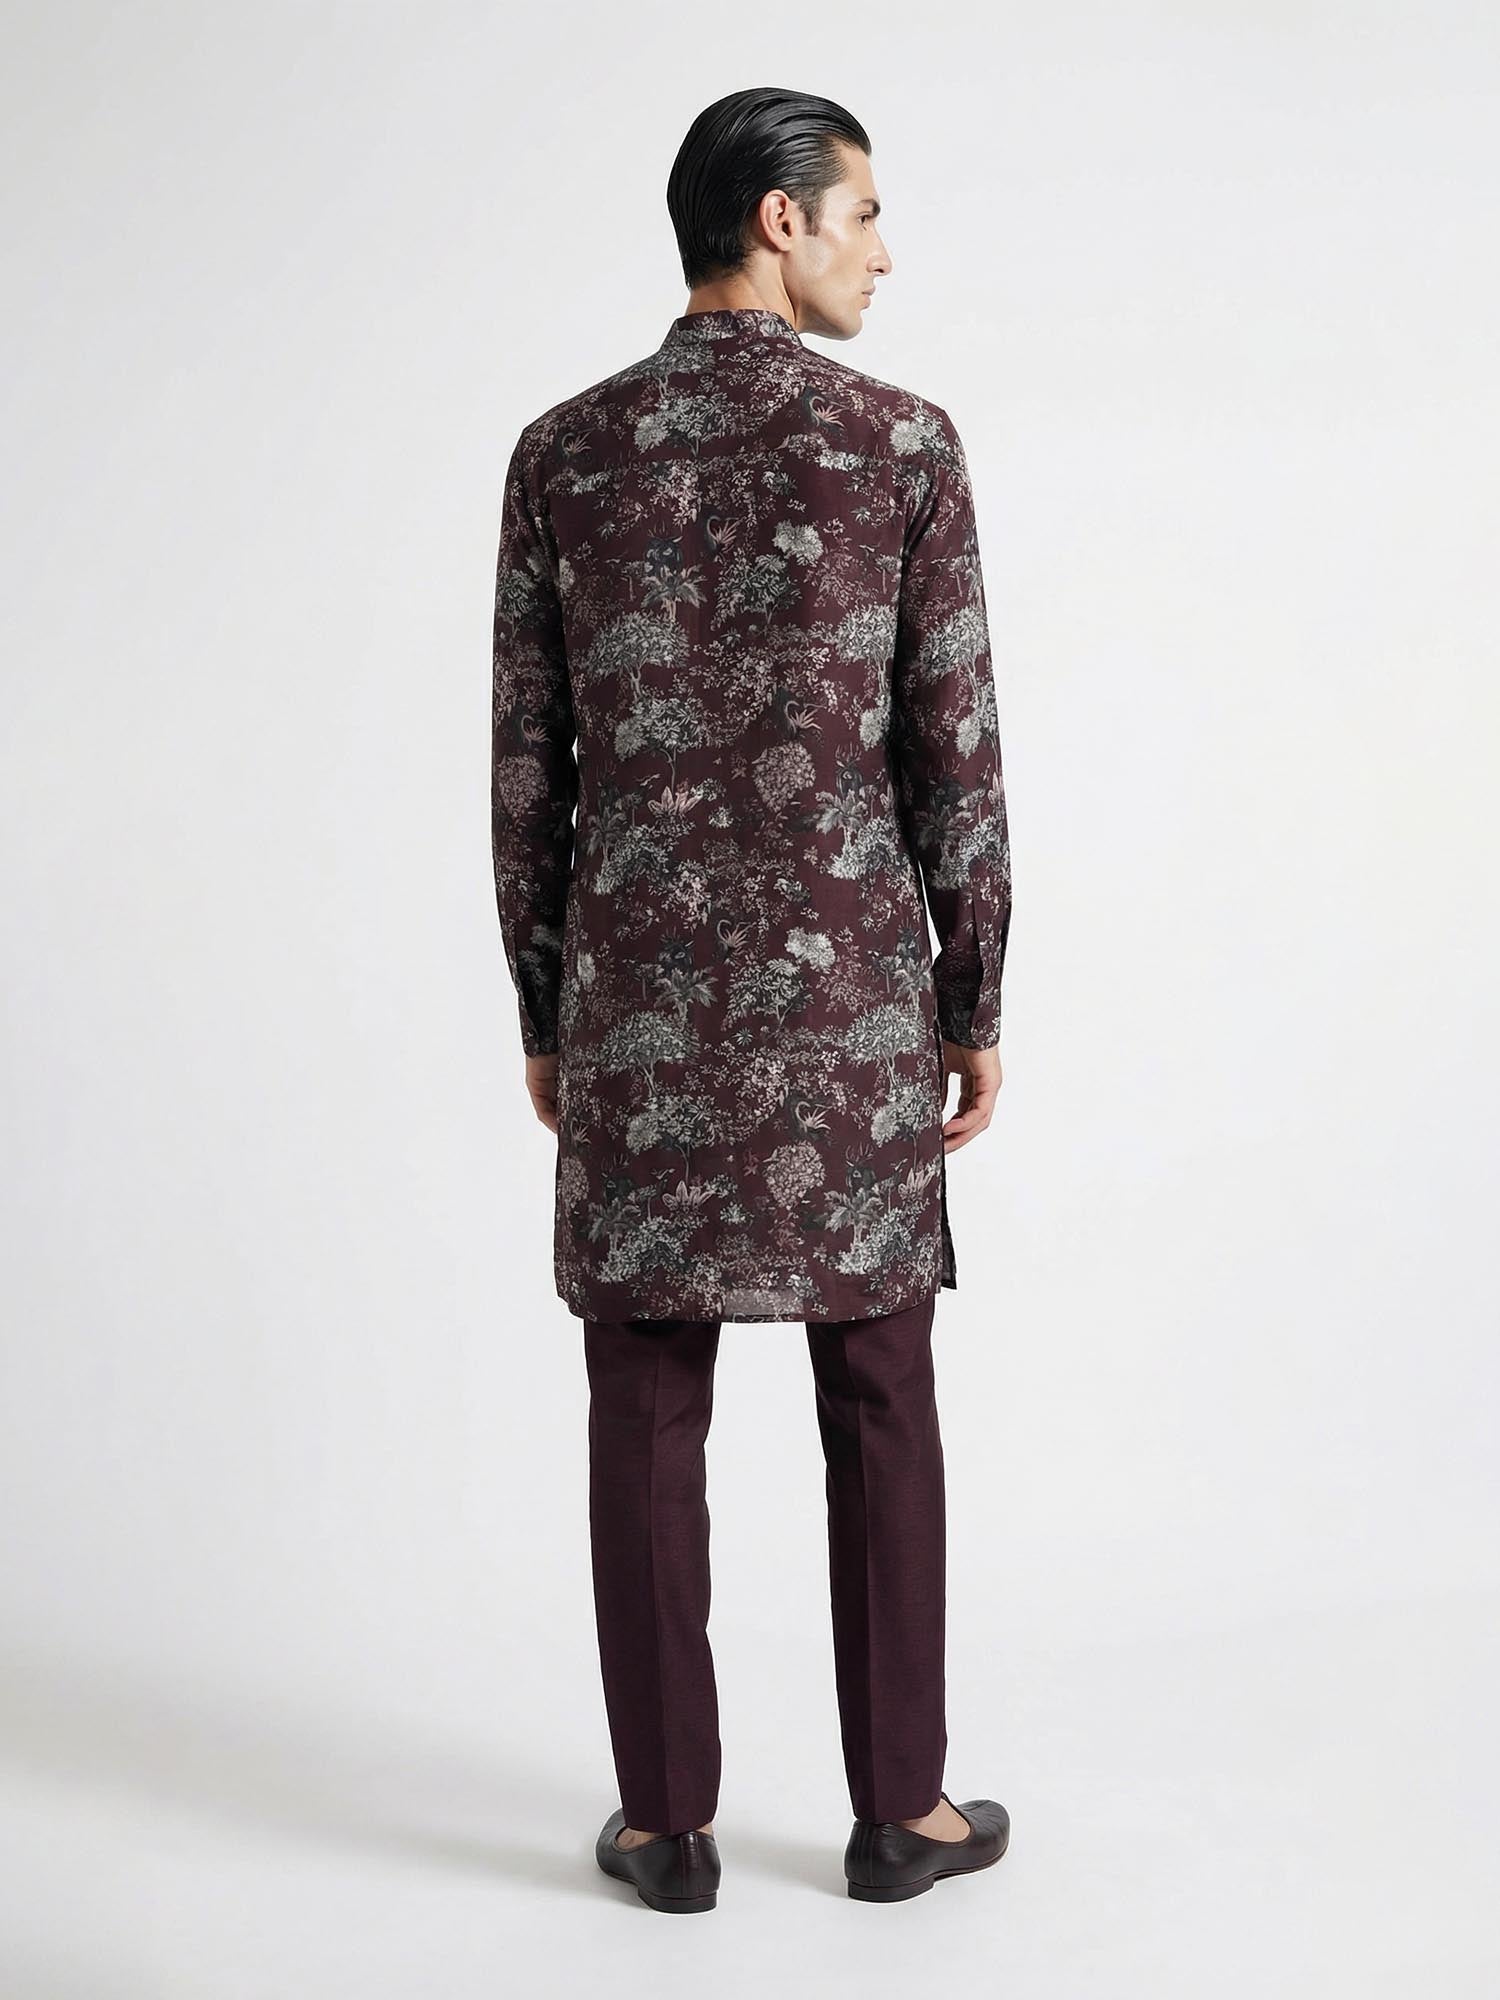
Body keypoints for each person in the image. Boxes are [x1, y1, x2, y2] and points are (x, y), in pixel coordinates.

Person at [490, 86, 1013, 1910]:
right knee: (880, 1390)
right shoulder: (904, 446)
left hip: (637, 1004)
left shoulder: (564, 453)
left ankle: (667, 1826)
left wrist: (547, 1008)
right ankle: (901, 1813)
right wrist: (974, 995)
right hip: (851, 1003)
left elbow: (529, 773)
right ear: (777, 220)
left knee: (644, 1399)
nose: (884, 250)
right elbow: (954, 756)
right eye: (863, 212)